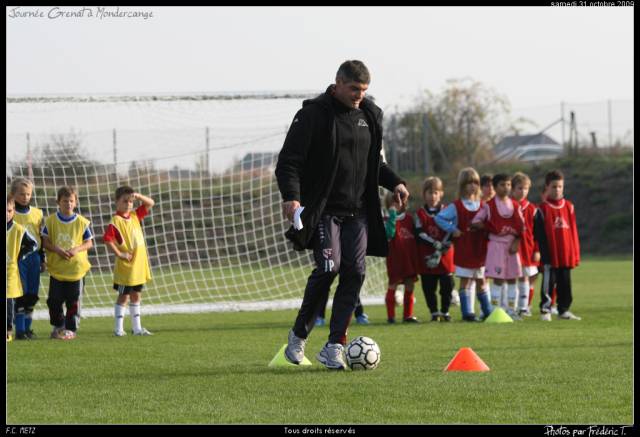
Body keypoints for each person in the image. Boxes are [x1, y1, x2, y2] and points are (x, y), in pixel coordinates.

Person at [275, 60, 409, 369]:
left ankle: (335, 345)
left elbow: (375, 163)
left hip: (359, 211)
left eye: (364, 90)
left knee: (355, 272)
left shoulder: (370, 116)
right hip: (324, 211)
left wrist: (396, 182)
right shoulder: (313, 115)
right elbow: (289, 162)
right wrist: (291, 198)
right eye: (354, 89)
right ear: (338, 83)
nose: (359, 95)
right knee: (328, 267)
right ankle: (298, 336)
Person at [435, 167, 493, 321]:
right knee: (465, 281)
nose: (472, 186)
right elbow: (439, 218)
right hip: (464, 248)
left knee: (482, 280)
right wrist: (453, 229)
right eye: (468, 183)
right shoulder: (457, 205)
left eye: (475, 182)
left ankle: (488, 311)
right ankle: (467, 313)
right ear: (462, 185)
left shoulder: (483, 205)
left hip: (480, 248)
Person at [470, 174, 525, 320]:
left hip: (511, 245)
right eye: (502, 185)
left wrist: (516, 242)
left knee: (513, 278)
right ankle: (495, 310)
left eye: (508, 185)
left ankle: (512, 311)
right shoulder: (489, 206)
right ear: (495, 187)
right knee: (498, 279)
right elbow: (475, 222)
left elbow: (522, 228)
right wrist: (486, 226)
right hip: (496, 245)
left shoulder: (515, 205)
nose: (506, 188)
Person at [42, 186, 94, 340]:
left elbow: (89, 243)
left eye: (71, 201)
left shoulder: (81, 222)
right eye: (65, 201)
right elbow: (45, 242)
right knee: (54, 301)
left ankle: (70, 329)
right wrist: (57, 249)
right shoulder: (50, 221)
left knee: (74, 302)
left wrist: (76, 249)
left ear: (76, 202)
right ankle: (58, 326)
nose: (68, 204)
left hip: (75, 270)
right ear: (58, 202)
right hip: (57, 270)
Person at [103, 186, 155, 336]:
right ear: (117, 202)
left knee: (136, 295)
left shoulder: (134, 216)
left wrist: (138, 195)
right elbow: (108, 240)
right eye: (125, 201)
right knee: (123, 296)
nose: (128, 204)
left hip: (138, 266)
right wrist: (120, 254)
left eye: (131, 201)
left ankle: (137, 328)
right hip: (125, 268)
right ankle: (118, 329)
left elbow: (150, 203)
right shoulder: (116, 221)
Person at [534, 170, 581, 321]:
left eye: (560, 186)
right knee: (549, 282)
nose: (557, 190)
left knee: (565, 283)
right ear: (547, 187)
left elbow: (573, 231)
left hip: (565, 253)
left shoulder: (569, 206)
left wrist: (574, 253)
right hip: (549, 254)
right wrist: (541, 253)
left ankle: (564, 310)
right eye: (554, 186)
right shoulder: (542, 209)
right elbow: (538, 234)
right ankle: (545, 309)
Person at [415, 177, 455, 322]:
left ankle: (445, 311)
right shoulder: (420, 213)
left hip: (445, 256)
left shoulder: (448, 211)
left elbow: (452, 230)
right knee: (428, 287)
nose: (432, 196)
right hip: (427, 258)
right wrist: (434, 244)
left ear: (441, 194)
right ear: (424, 194)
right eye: (429, 193)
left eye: (435, 193)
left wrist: (444, 245)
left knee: (447, 286)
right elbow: (419, 233)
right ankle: (434, 312)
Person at [10, 178, 46, 340]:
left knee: (32, 294)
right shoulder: (10, 212)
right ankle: (20, 330)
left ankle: (27, 328)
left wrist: (43, 257)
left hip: (34, 257)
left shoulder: (38, 213)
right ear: (13, 195)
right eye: (21, 194)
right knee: (20, 294)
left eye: (28, 194)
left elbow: (41, 238)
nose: (25, 197)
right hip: (17, 259)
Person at [383, 192, 420, 324]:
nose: (396, 204)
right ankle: (391, 317)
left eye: (398, 201)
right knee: (393, 285)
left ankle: (408, 315)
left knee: (410, 285)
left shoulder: (410, 219)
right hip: (395, 260)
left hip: (409, 259)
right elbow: (389, 233)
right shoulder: (387, 220)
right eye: (392, 202)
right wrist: (392, 215)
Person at [7, 195, 39, 342]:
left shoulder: (19, 230)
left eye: (9, 210)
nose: (6, 214)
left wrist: (19, 256)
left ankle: (10, 330)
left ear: (13, 211)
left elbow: (33, 244)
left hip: (11, 275)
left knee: (11, 302)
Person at [511, 172, 540, 317]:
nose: (523, 192)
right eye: (519, 188)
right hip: (510, 250)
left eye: (526, 188)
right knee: (509, 279)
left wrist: (537, 249)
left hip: (527, 249)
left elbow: (538, 233)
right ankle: (510, 306)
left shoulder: (532, 209)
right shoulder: (507, 206)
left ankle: (523, 307)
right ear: (512, 189)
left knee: (525, 278)